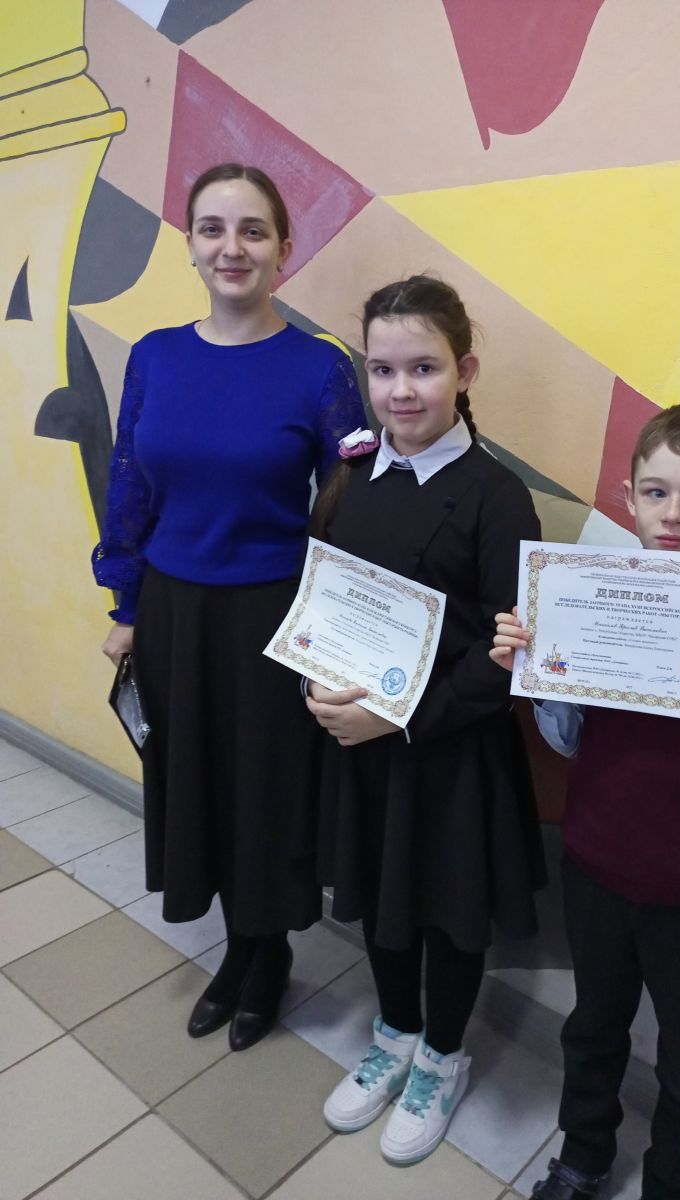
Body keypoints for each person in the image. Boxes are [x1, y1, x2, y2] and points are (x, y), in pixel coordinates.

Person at [491, 399, 680, 1200]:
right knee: (591, 1030)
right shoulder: (587, 593)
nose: (674, 514)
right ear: (628, 497)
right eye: (658, 492)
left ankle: (676, 1183)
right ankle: (582, 1157)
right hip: (597, 871)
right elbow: (569, 742)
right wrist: (541, 673)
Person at [91, 163, 366, 1051]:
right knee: (198, 781)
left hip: (275, 616)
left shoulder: (321, 369)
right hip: (174, 613)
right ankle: (236, 949)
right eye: (213, 228)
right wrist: (127, 602)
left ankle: (265, 952)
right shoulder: (156, 356)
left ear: (285, 248)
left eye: (253, 230)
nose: (232, 247)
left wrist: (348, 629)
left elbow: (356, 503)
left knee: (264, 792)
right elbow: (129, 482)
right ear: (191, 244)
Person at [305, 275, 546, 1165]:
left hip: (448, 751)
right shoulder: (351, 477)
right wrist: (316, 684)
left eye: (424, 368)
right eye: (383, 370)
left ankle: (442, 1056)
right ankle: (394, 1034)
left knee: (447, 912)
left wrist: (399, 720)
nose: (401, 390)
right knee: (377, 893)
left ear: (463, 371)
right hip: (361, 748)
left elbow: (507, 655)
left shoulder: (497, 496)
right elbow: (324, 603)